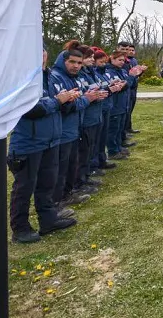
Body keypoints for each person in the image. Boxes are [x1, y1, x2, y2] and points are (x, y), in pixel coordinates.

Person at [7, 48, 77, 243]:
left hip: (52, 140)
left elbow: (59, 104)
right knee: (24, 188)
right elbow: (29, 109)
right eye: (34, 50)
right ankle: (20, 229)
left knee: (47, 184)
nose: (40, 55)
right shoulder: (22, 79)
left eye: (42, 51)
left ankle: (48, 220)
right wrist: (57, 101)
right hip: (28, 143)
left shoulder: (52, 78)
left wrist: (68, 99)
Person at [50, 47, 102, 208]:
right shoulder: (57, 78)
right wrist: (87, 99)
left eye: (79, 63)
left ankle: (68, 193)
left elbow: (76, 99)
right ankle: (58, 200)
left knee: (72, 163)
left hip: (74, 128)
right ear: (62, 61)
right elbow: (65, 106)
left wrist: (85, 98)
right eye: (72, 62)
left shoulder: (74, 78)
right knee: (61, 167)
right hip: (63, 131)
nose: (76, 66)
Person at [76, 46, 109, 191]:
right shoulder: (80, 75)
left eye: (91, 57)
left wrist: (101, 93)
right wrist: (91, 96)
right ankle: (80, 181)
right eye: (88, 57)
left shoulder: (91, 73)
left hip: (96, 114)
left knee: (91, 147)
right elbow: (82, 93)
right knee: (83, 151)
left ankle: (87, 175)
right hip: (87, 118)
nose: (91, 59)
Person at [104, 50, 139, 159]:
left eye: (123, 60)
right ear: (112, 59)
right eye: (119, 60)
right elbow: (122, 86)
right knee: (113, 130)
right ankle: (112, 151)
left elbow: (130, 84)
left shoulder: (123, 71)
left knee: (119, 129)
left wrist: (134, 76)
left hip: (123, 105)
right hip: (115, 105)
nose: (121, 62)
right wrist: (131, 77)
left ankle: (118, 147)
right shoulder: (109, 72)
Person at [93, 50, 120, 169]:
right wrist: (109, 89)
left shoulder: (103, 73)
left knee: (103, 136)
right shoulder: (94, 73)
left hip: (106, 106)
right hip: (99, 108)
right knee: (97, 138)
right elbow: (97, 90)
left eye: (105, 61)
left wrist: (112, 85)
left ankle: (102, 160)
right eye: (101, 62)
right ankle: (95, 164)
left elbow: (104, 86)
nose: (104, 64)